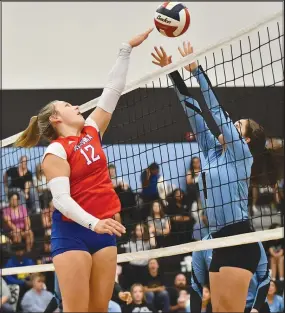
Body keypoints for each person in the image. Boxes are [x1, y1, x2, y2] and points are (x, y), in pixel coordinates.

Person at [15, 28, 153, 312]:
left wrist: (125, 49)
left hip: (104, 231)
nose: (76, 106)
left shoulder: (92, 130)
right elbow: (63, 202)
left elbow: (113, 90)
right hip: (73, 233)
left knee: (99, 309)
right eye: (68, 105)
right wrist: (95, 223)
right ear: (55, 118)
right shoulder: (56, 151)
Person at [151, 42, 275, 312]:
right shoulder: (211, 152)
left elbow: (217, 113)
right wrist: (173, 73)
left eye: (237, 125)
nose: (231, 126)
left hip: (238, 238)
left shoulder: (242, 154)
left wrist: (197, 71)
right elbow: (193, 111)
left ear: (245, 138)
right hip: (218, 239)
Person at [189, 234, 270, 313]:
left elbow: (265, 278)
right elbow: (196, 286)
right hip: (224, 307)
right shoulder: (203, 245)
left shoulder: (251, 239)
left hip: (255, 307)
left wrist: (256, 309)